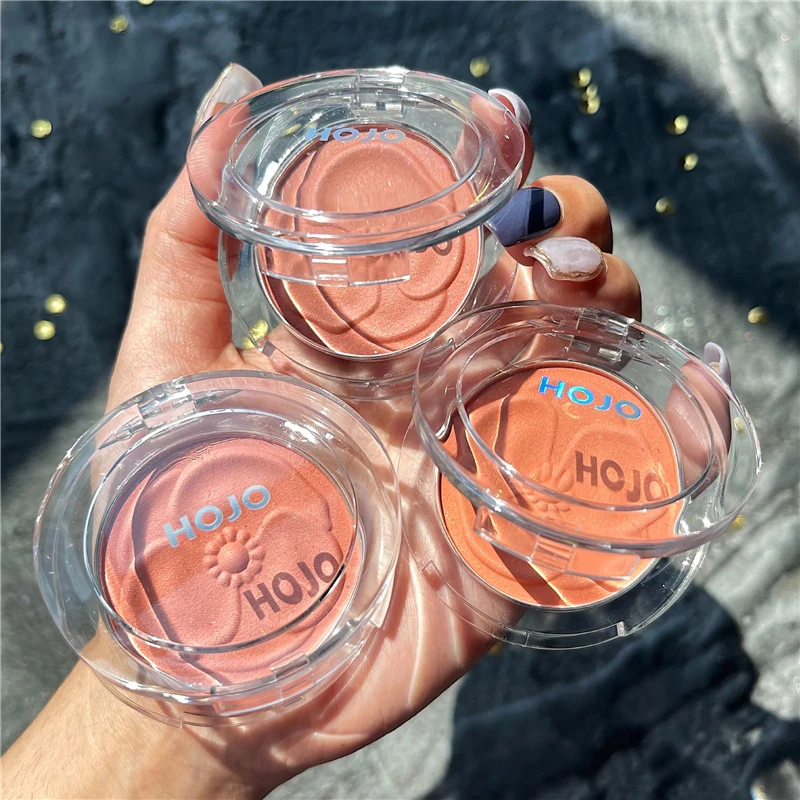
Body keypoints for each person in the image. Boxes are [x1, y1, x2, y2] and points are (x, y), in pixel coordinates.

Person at [3, 64, 701, 800]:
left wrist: (183, 735)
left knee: (561, 260)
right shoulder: (217, 420)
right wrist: (185, 684)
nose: (380, 250)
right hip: (304, 506)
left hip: (403, 520)